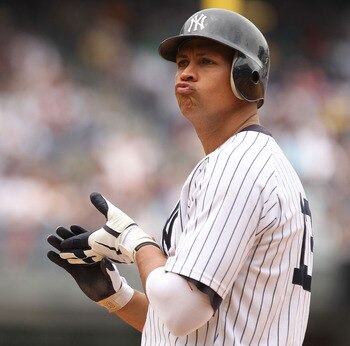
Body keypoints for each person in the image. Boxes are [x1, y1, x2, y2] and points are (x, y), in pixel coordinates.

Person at [47, 8, 314, 345]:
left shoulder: (238, 165)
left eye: (206, 62)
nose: (186, 74)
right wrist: (116, 296)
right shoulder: (252, 161)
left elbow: (182, 310)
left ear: (247, 78)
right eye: (182, 63)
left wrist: (135, 242)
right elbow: (189, 330)